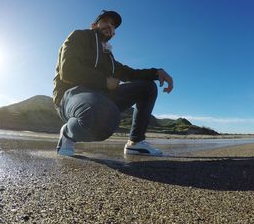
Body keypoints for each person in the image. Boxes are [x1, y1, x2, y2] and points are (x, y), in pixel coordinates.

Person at [53, 10, 173, 156]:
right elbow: (68, 70)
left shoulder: (108, 57)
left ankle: (135, 142)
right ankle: (67, 133)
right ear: (94, 25)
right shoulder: (79, 36)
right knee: (99, 117)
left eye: (113, 25)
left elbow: (130, 73)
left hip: (99, 96)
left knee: (147, 87)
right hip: (70, 96)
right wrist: (104, 81)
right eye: (105, 21)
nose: (110, 26)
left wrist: (156, 72)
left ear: (114, 33)